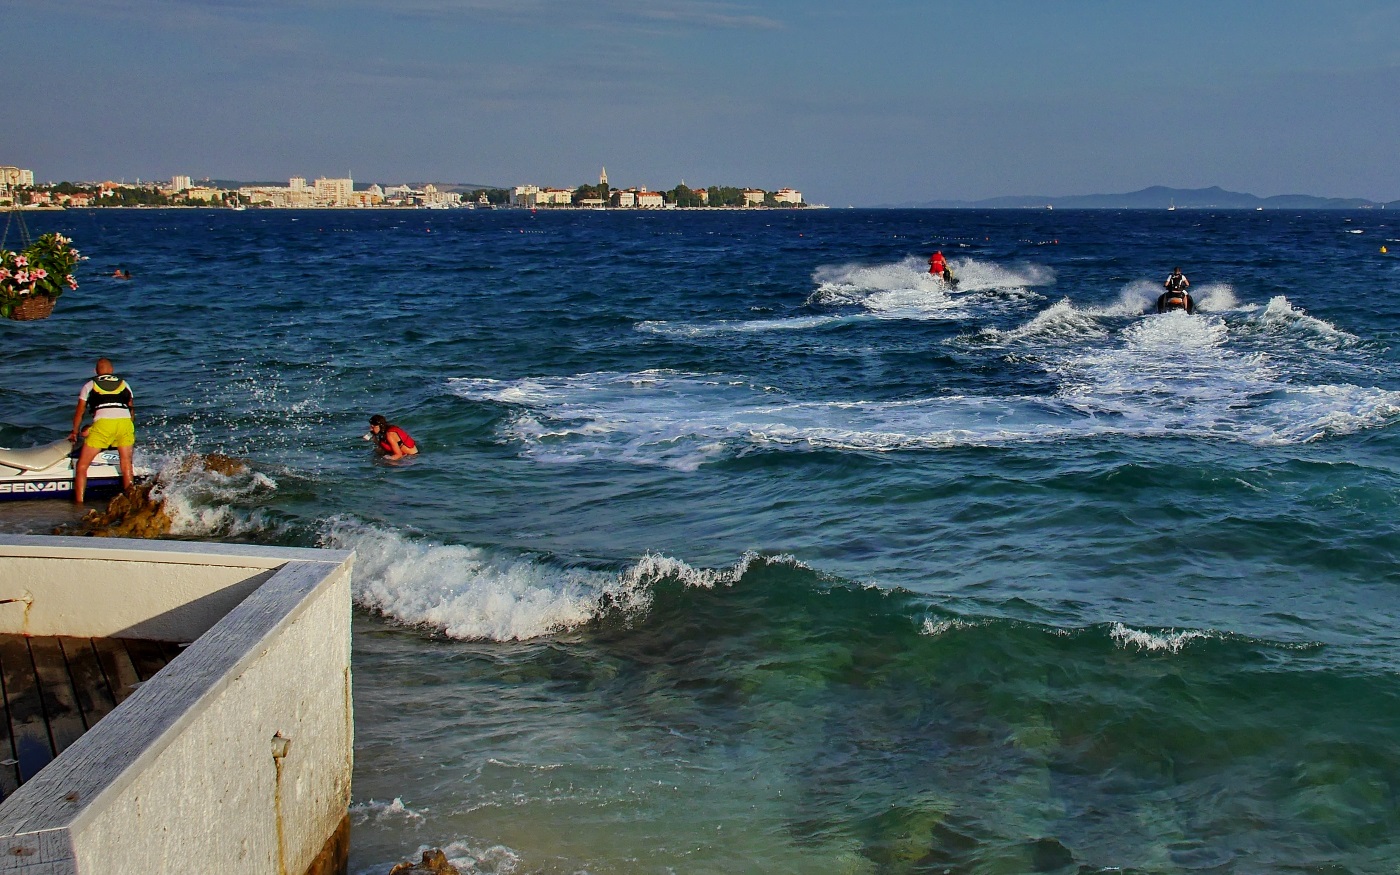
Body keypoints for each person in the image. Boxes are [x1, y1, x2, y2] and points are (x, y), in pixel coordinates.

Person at [68, 358, 135, 503]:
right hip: (125, 423)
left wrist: (75, 432)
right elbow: (131, 409)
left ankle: (79, 502)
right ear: (112, 370)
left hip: (103, 425)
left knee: (82, 466)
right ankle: (131, 498)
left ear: (95, 371)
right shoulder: (125, 384)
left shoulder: (90, 385)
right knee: (126, 463)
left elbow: (79, 412)